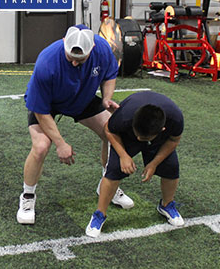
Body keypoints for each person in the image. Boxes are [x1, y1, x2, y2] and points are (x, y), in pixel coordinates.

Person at [17, 25, 134, 225]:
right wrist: (60, 143)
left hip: (82, 98)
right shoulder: (47, 61)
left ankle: (108, 185)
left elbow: (109, 75)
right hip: (49, 104)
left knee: (113, 132)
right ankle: (27, 197)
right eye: (70, 57)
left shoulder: (103, 49)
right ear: (64, 42)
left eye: (80, 60)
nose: (73, 62)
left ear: (92, 49)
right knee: (41, 147)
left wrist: (106, 99)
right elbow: (41, 111)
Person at [86, 91, 184, 237]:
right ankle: (99, 214)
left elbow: (174, 140)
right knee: (113, 170)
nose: (139, 138)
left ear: (163, 129)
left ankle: (166, 205)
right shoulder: (125, 116)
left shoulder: (175, 119)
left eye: (143, 137)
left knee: (171, 167)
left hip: (159, 140)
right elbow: (109, 130)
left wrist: (154, 163)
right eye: (138, 134)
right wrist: (123, 155)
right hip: (126, 136)